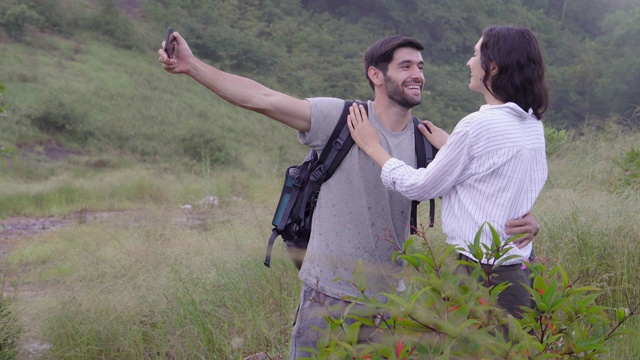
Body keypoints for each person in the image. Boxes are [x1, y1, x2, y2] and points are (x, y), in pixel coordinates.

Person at [158, 32, 540, 358]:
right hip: (327, 294)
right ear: (376, 74)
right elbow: (261, 97)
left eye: (420, 67)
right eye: (405, 66)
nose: (418, 75)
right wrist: (193, 66)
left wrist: (528, 221)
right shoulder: (341, 119)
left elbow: (490, 188)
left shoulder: (432, 141)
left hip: (392, 303)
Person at [347, 25, 548, 319]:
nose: (470, 62)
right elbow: (495, 182)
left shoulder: (478, 126)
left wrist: (373, 147)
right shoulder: (532, 124)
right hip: (520, 265)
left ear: (492, 66)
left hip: (485, 272)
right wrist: (452, 146)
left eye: (476, 54)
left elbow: (421, 187)